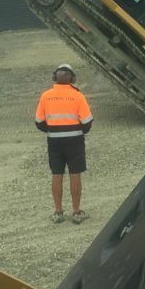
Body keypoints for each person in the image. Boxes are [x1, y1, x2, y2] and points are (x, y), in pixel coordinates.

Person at [35, 64, 93, 224]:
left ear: (55, 78)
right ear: (72, 79)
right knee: (75, 174)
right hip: (75, 141)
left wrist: (53, 130)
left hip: (54, 141)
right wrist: (79, 131)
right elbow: (88, 122)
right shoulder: (78, 96)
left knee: (56, 174)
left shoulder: (46, 96)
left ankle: (58, 212)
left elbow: (39, 122)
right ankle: (76, 212)